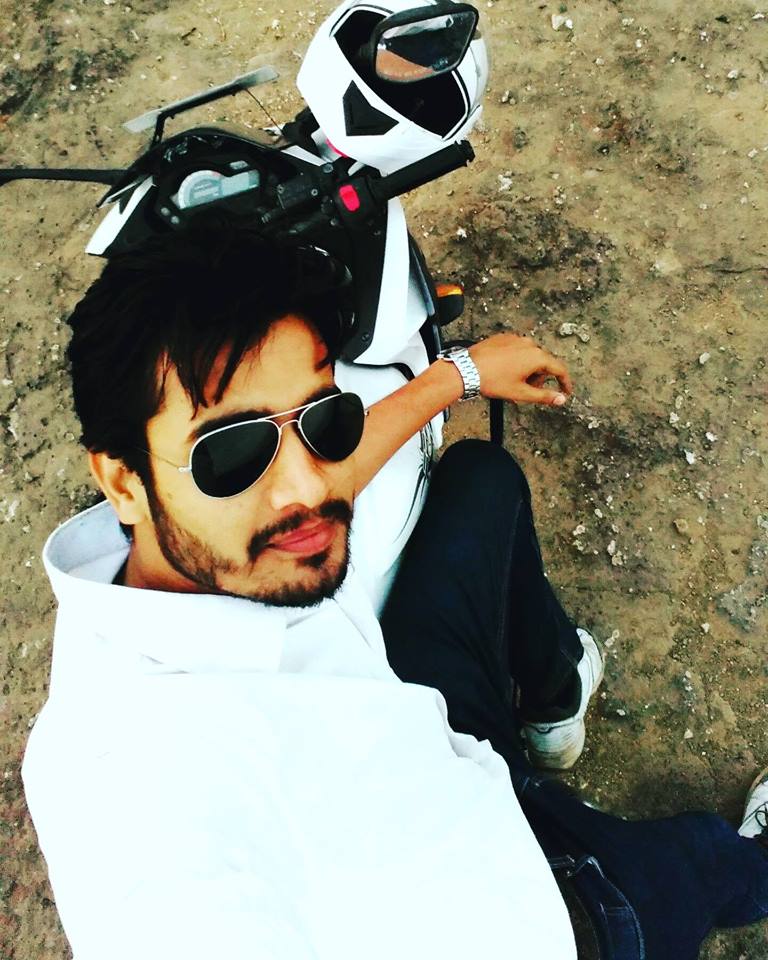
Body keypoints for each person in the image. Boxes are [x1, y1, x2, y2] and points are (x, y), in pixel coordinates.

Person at [22, 225, 768, 960]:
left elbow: (319, 460)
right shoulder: (137, 792)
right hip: (563, 915)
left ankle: (554, 701)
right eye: (233, 452)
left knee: (481, 484)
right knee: (698, 864)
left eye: (324, 418)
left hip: (443, 746)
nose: (310, 488)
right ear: (121, 481)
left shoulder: (208, 539)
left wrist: (462, 374)